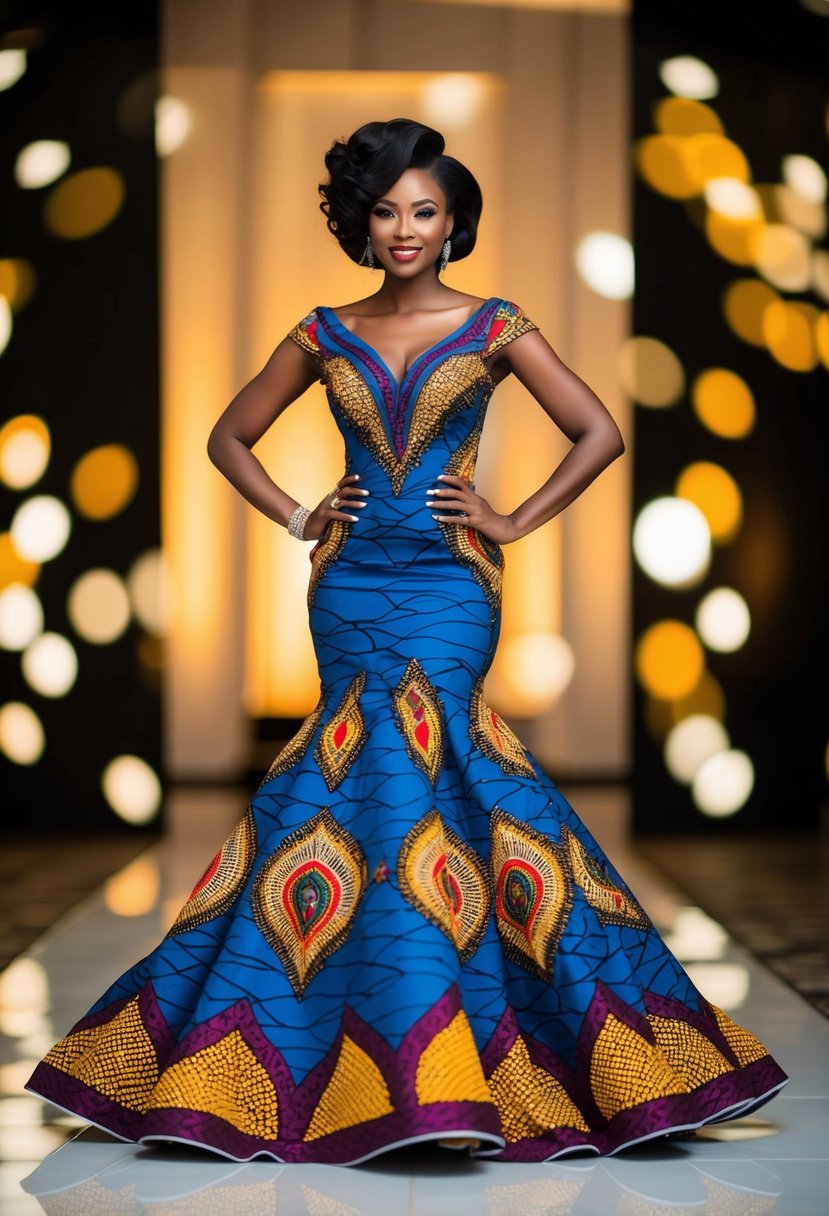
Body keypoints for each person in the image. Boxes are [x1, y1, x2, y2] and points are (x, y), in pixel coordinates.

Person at [26, 118, 787, 1165]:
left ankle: (491, 1057)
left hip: (449, 586)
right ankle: (357, 1059)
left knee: (444, 770)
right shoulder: (322, 330)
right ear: (361, 221)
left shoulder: (495, 324)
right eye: (385, 211)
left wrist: (511, 518)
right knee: (358, 785)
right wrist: (299, 514)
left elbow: (598, 429)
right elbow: (225, 437)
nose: (403, 229)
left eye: (423, 211)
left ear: (454, 222)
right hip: (348, 587)